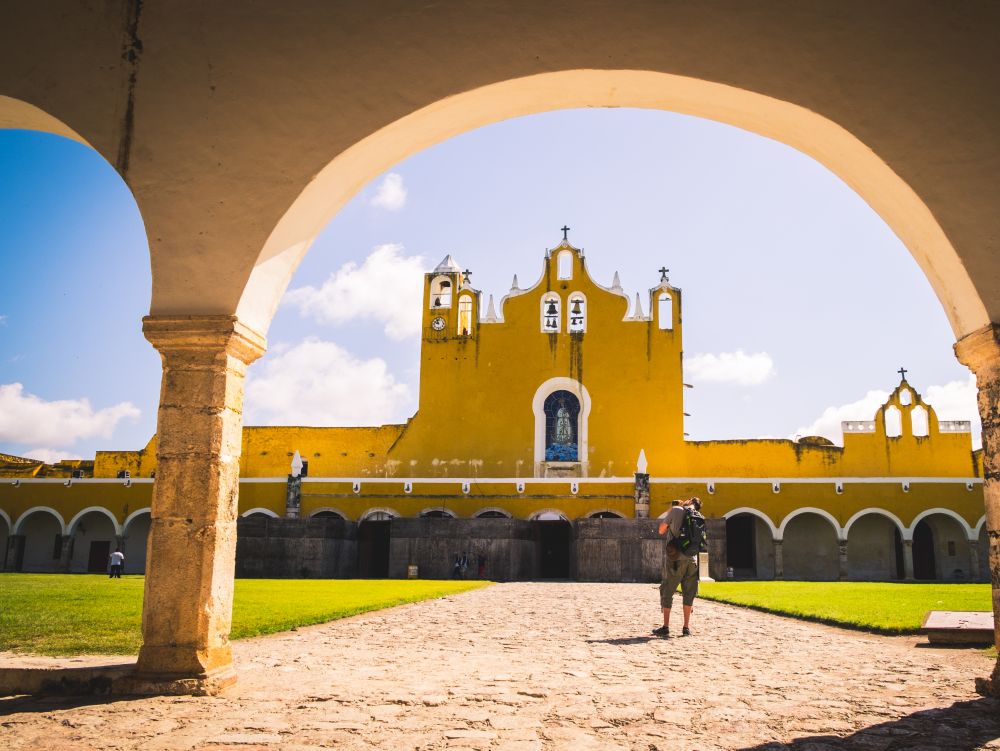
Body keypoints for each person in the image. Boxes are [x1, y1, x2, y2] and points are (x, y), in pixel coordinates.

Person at [653, 497, 701, 637]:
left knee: (668, 590)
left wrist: (670, 514)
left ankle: (666, 627)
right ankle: (686, 627)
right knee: (689, 593)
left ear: (688, 501)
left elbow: (661, 530)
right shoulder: (698, 515)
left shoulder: (676, 510)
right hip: (692, 559)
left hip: (675, 558)